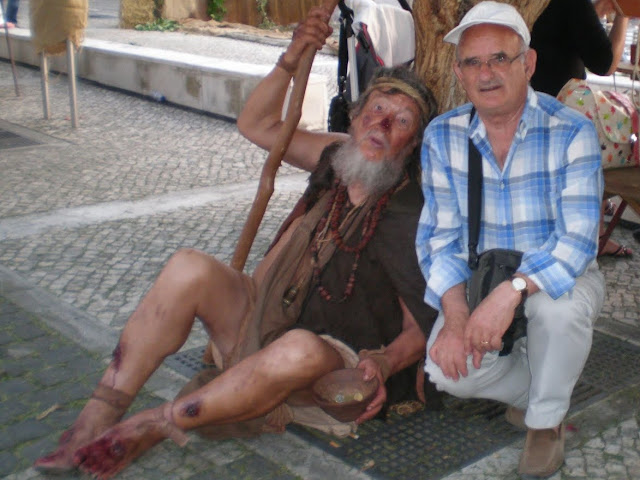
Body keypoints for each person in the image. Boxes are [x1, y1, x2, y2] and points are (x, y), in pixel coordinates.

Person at [34, 6, 439, 478]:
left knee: (300, 348)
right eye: (377, 111)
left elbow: (420, 327)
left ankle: (157, 424)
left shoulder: (408, 210)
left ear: (411, 146)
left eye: (402, 122)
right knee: (188, 266)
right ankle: (96, 418)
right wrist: (291, 59)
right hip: (259, 322)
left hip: (326, 371)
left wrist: (384, 363)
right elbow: (256, 125)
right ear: (354, 118)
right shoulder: (336, 157)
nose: (383, 126)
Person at [417, 2, 605, 478]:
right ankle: (541, 391)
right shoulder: (442, 136)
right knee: (446, 372)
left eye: (500, 58)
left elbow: (577, 240)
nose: (486, 74)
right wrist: (456, 316)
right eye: (473, 62)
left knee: (555, 312)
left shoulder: (572, 131)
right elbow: (440, 240)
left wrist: (512, 291)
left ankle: (544, 423)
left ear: (529, 63)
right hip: (483, 276)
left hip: (558, 275)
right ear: (459, 73)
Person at [531, 0, 632, 258]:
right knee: (595, 144)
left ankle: (595, 230)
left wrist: (596, 11)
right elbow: (605, 63)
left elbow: (568, 27)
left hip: (532, 101)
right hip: (559, 106)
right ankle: (594, 237)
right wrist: (624, 14)